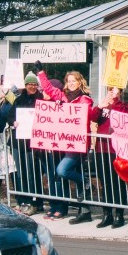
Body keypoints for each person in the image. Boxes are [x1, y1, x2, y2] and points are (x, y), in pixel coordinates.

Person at [36, 67, 93, 221]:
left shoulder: (85, 99)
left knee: (62, 170)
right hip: (65, 143)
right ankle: (84, 209)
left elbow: (84, 116)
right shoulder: (63, 96)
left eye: (74, 81)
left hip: (78, 144)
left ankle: (85, 181)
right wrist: (41, 72)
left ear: (80, 82)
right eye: (69, 81)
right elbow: (48, 88)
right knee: (67, 171)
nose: (71, 83)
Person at [89, 85, 128, 229]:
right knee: (104, 182)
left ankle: (119, 214)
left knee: (117, 183)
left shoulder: (125, 106)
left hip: (117, 150)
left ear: (120, 92)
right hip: (102, 149)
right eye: (110, 89)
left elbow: (124, 118)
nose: (111, 92)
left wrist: (115, 101)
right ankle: (107, 213)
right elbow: (92, 118)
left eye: (115, 90)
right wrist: (100, 106)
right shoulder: (102, 105)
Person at [7, 72, 47, 214]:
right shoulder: (19, 100)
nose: (32, 87)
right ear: (25, 85)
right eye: (30, 84)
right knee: (21, 172)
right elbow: (10, 115)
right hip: (19, 142)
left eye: (35, 84)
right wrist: (14, 122)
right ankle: (24, 200)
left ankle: (36, 202)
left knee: (34, 172)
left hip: (33, 142)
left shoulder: (40, 99)